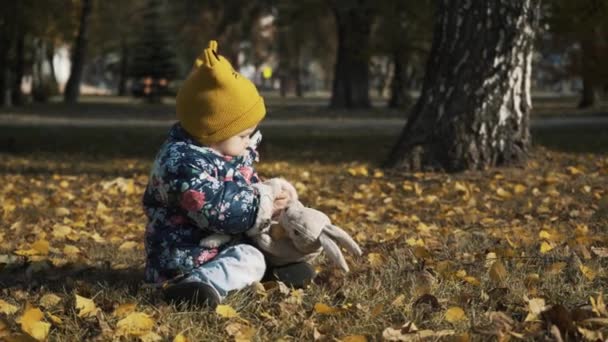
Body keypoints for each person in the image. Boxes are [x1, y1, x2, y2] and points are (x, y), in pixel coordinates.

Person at [142, 40, 314, 307]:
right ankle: (195, 287)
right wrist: (261, 202)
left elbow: (241, 184)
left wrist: (270, 195)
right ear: (212, 131)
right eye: (244, 135)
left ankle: (272, 270)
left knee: (260, 248)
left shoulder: (224, 151)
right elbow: (218, 208)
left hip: (219, 245)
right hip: (184, 259)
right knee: (250, 258)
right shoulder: (181, 163)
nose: (249, 141)